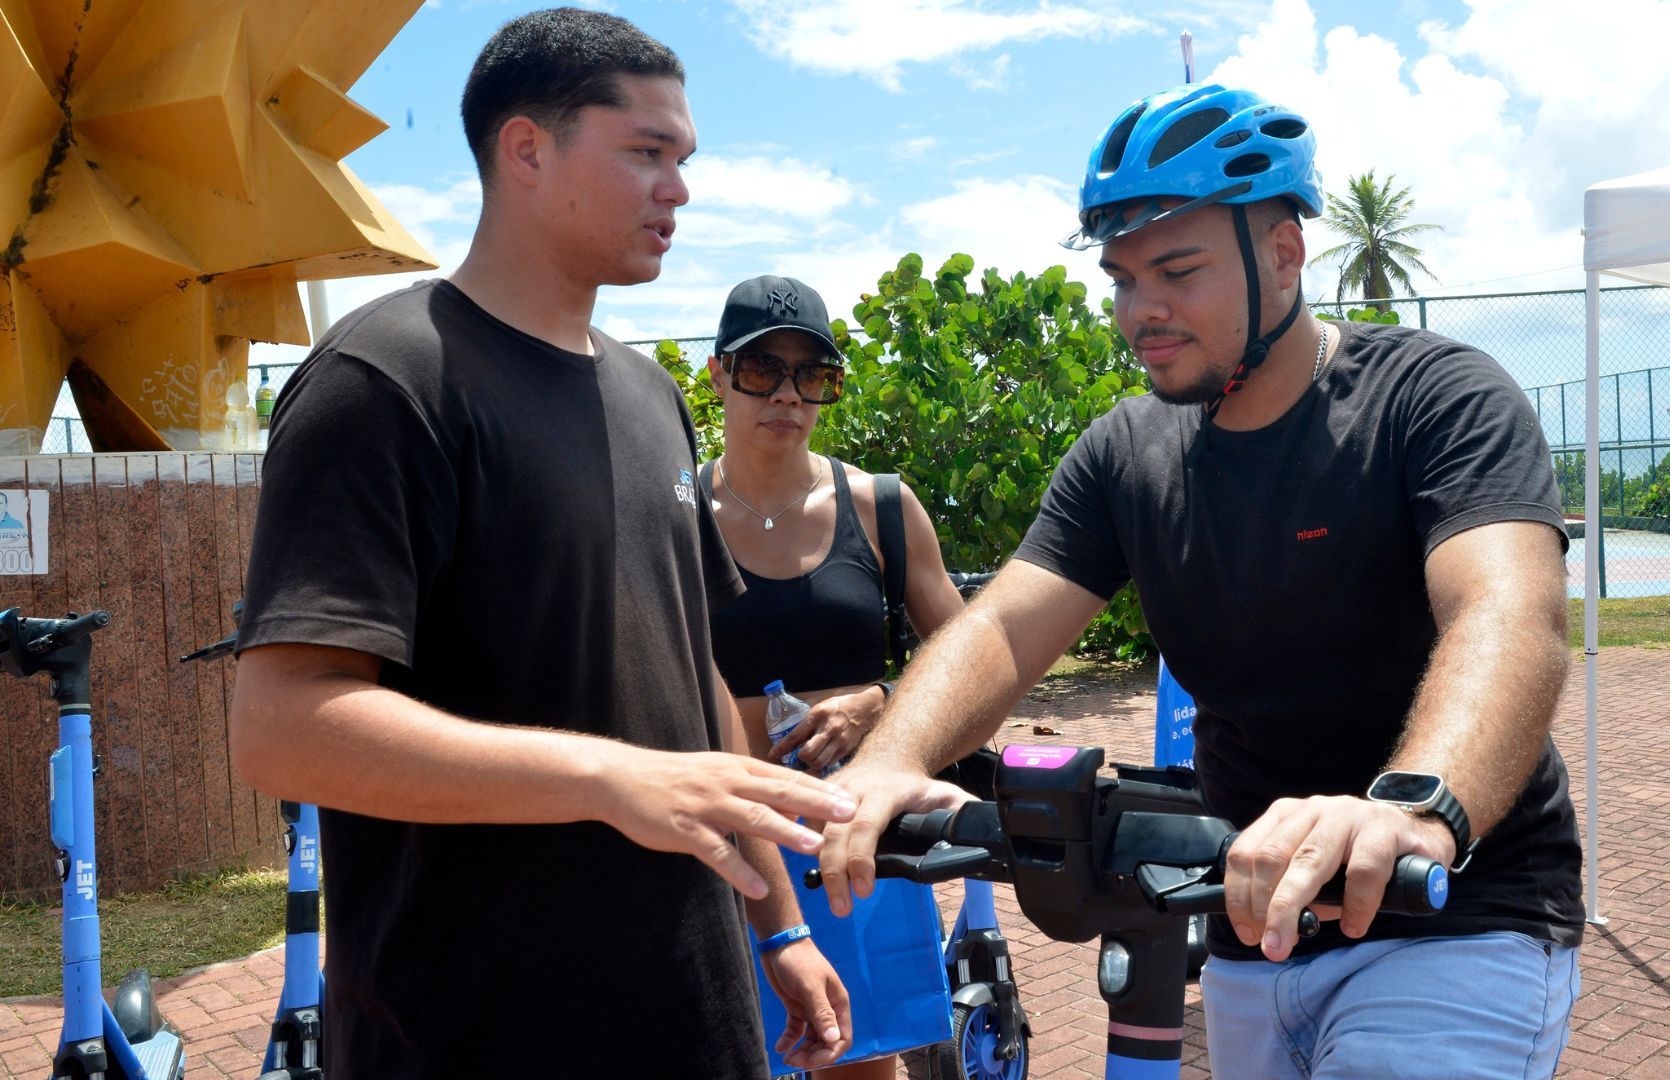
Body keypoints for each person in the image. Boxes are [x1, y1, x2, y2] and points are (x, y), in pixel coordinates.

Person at [815, 83, 1583, 1079]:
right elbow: (1004, 627)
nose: (1142, 310)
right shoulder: (1126, 452)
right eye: (1123, 278)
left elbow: (1506, 610)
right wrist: (892, 758)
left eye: (1177, 270)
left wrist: (1413, 812)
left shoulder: (1436, 398)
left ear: (1283, 255)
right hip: (1246, 920)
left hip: (1452, 913)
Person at [228, 11, 856, 1077]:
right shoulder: (385, 382)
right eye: (646, 153)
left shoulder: (651, 392)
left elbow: (688, 669)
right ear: (527, 149)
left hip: (692, 1017)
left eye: (683, 159)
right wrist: (606, 778)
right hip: (472, 1030)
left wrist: (776, 923)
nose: (680, 190)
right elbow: (282, 727)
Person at [701, 273, 966, 1078]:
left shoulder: (882, 505)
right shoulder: (668, 514)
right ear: (719, 374)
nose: (787, 393)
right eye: (761, 369)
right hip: (712, 832)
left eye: (812, 374)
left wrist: (880, 704)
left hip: (848, 835)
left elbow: (970, 659)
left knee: (855, 1058)